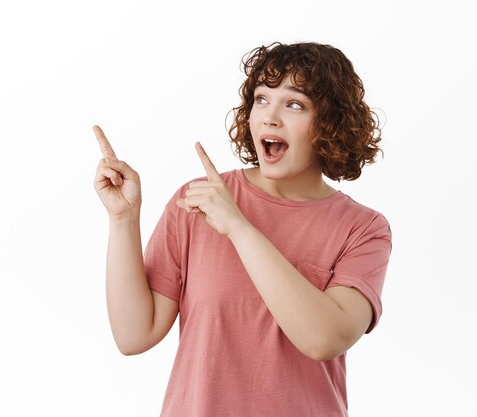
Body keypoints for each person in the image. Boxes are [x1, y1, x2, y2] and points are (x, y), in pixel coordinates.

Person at [93, 41, 393, 417]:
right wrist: (124, 219)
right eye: (261, 99)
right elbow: (134, 335)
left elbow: (324, 339)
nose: (270, 117)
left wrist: (239, 227)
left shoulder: (363, 229)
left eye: (295, 104)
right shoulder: (197, 201)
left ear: (329, 123)